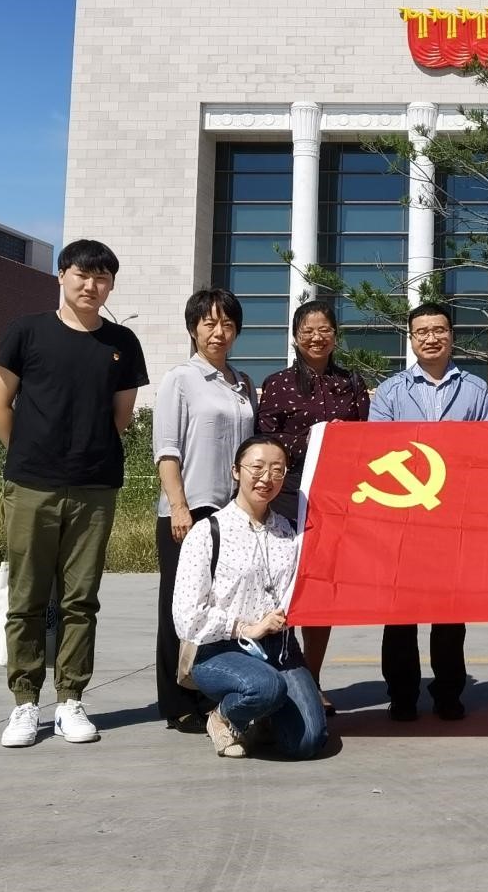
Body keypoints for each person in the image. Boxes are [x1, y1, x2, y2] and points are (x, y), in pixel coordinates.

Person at [0, 239, 149, 748]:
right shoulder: (27, 331)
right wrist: (30, 454)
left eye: (102, 278)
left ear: (111, 285)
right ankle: (24, 703)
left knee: (81, 599)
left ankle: (71, 700)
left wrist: (81, 455)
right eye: (82, 274)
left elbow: (121, 417)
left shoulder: (122, 342)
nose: (91, 286)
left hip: (95, 488)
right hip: (31, 485)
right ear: (61, 275)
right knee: (27, 598)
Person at [368, 301, 488, 721]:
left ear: (451, 336)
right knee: (398, 613)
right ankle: (402, 694)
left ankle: (448, 692)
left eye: (439, 330)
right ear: (411, 338)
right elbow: (375, 453)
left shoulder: (476, 391)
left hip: (454, 519)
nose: (431, 338)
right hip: (402, 518)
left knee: (450, 613)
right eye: (421, 331)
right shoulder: (390, 392)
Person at [172, 435, 328, 760]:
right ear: (236, 471)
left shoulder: (290, 531)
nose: (266, 478)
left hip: (281, 650)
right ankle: (224, 716)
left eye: (277, 470)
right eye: (256, 468)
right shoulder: (208, 532)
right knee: (265, 687)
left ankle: (263, 715)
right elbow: (186, 616)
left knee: (309, 741)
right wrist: (247, 628)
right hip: (220, 651)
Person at [256, 298, 370, 705]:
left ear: (335, 336)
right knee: (282, 584)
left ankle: (312, 680)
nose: (316, 337)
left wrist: (343, 439)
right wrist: (318, 436)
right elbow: (265, 438)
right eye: (308, 331)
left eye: (325, 330)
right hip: (288, 494)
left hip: (334, 496)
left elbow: (366, 439)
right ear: (295, 337)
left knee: (319, 590)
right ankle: (276, 676)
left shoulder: (351, 383)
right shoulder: (277, 383)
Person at [150, 287, 255, 731]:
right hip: (190, 512)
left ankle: (211, 691)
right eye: (209, 323)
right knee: (180, 609)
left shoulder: (243, 383)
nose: (218, 332)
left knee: (221, 607)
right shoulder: (181, 379)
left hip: (231, 517)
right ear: (193, 329)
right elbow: (166, 450)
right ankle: (177, 702)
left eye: (227, 324)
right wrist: (179, 506)